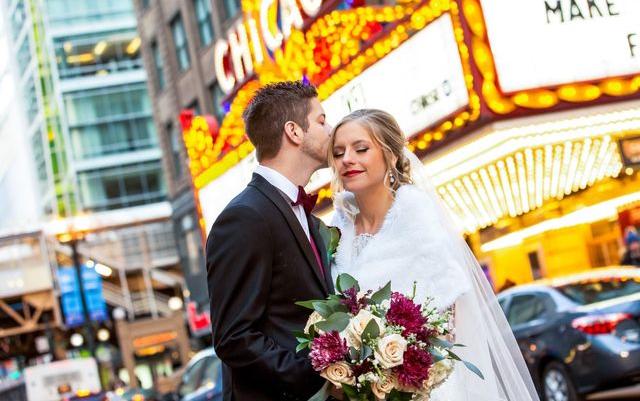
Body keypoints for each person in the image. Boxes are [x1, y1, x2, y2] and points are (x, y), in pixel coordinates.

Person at [328, 109, 540, 401]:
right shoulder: (335, 234)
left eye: (361, 149)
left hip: (426, 389)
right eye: (338, 153)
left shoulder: (418, 221)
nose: (347, 159)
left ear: (390, 155)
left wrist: (404, 372)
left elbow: (454, 315)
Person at [206, 81, 335, 400]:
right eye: (321, 120)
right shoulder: (245, 217)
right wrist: (320, 376)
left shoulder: (310, 220)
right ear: (294, 131)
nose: (330, 130)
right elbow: (234, 337)